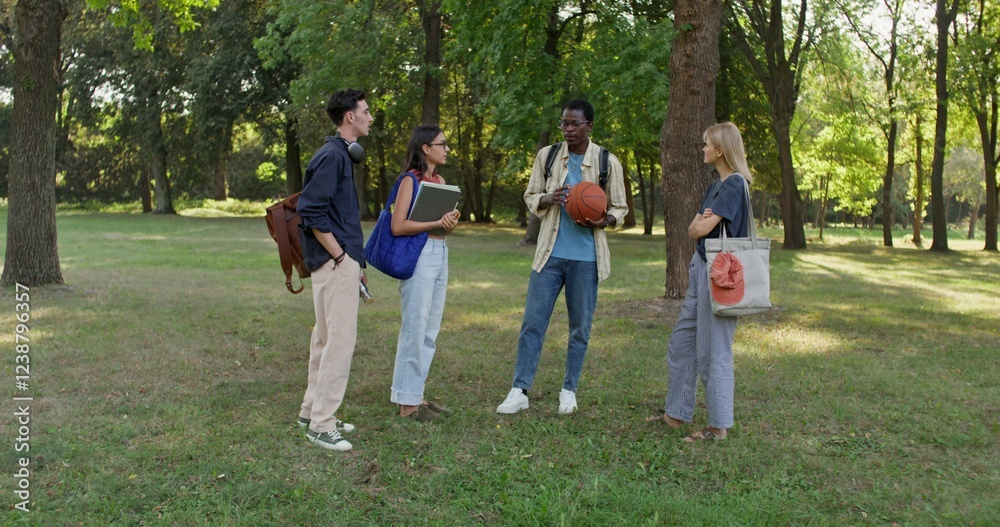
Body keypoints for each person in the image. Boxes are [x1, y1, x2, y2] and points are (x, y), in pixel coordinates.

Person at [496, 99, 628, 415]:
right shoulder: (548, 156)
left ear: (589, 126)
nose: (568, 129)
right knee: (533, 323)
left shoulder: (608, 162)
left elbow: (619, 208)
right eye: (564, 123)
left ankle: (568, 390)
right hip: (549, 256)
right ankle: (519, 389)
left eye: (575, 124)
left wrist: (605, 220)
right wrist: (548, 198)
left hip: (586, 259)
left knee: (580, 327)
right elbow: (530, 196)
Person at [647, 121, 753, 442]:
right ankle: (676, 414)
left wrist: (700, 225)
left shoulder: (735, 185)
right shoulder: (715, 186)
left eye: (707, 145)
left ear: (720, 151)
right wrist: (699, 225)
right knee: (682, 342)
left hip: (720, 274)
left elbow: (699, 229)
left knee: (713, 350)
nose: (703, 149)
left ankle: (718, 426)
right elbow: (694, 227)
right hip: (700, 267)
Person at [295, 89, 374, 452]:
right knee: (339, 343)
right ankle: (322, 425)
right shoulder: (332, 156)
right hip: (333, 263)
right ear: (350, 118)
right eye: (366, 111)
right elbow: (311, 211)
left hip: (340, 263)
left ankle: (311, 412)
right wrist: (342, 257)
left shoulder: (339, 154)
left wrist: (354, 263)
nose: (371, 117)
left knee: (325, 340)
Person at [388, 125, 460, 421]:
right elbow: (398, 226)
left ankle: (415, 394)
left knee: (430, 330)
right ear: (425, 148)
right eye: (442, 144)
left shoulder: (440, 180)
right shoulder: (410, 181)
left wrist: (448, 223)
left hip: (440, 253)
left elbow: (438, 223)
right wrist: (432, 223)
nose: (446, 149)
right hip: (418, 255)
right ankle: (407, 404)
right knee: (415, 329)